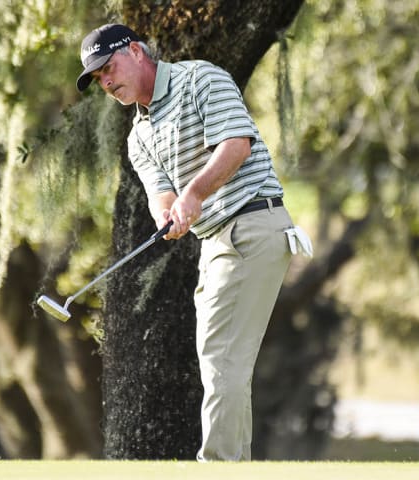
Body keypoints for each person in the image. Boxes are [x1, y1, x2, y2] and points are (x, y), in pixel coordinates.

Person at [76, 23, 310, 461]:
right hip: (218, 244)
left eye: (109, 68)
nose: (106, 82)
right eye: (98, 78)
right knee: (222, 364)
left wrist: (195, 194)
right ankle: (233, 465)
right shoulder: (139, 137)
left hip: (251, 225)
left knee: (222, 360)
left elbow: (236, 144)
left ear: (136, 52)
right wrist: (170, 214)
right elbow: (161, 196)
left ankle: (217, 465)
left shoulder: (200, 78)